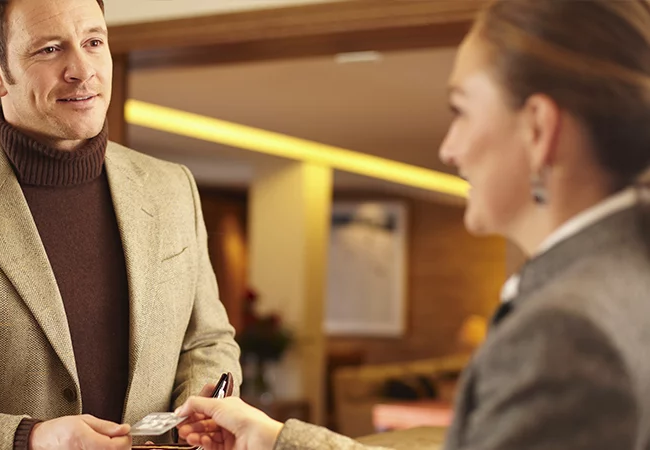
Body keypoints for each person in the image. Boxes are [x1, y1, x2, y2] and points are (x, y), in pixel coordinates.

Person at [174, 0, 650, 449]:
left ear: (539, 129)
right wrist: (278, 439)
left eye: (460, 111)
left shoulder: (566, 331)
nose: (448, 148)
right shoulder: (621, 282)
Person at [0, 0, 241, 448]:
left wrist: (203, 402)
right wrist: (30, 439)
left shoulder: (173, 188)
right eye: (50, 49)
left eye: (94, 42)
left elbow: (208, 340)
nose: (82, 69)